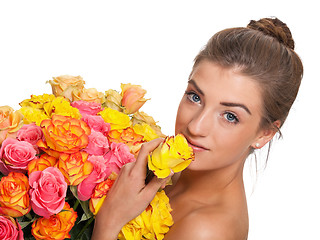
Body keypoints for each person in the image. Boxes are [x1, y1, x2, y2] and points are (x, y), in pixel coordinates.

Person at [91, 17, 303, 240]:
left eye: (230, 116)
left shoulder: (206, 230)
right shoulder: (160, 168)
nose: (195, 126)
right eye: (195, 97)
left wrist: (109, 222)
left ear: (264, 133)